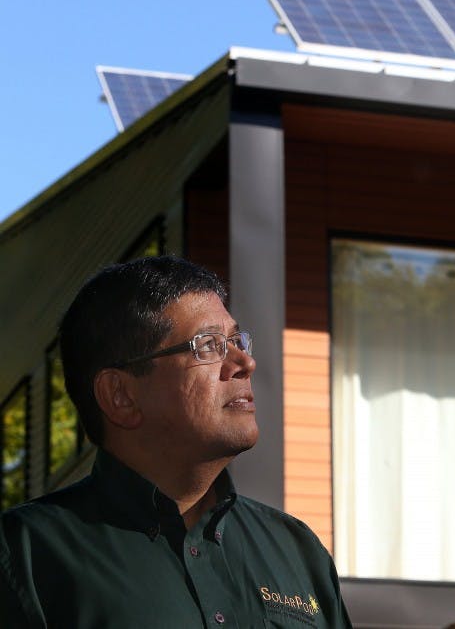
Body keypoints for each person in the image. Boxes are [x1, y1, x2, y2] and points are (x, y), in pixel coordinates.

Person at [0, 256, 352, 628]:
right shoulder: (25, 555)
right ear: (121, 395)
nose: (244, 362)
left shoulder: (296, 551)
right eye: (209, 345)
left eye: (236, 340)